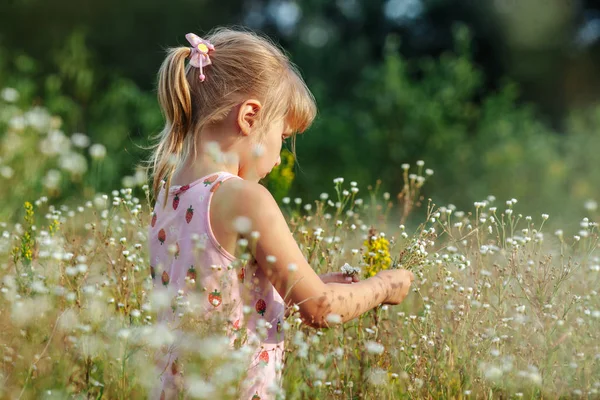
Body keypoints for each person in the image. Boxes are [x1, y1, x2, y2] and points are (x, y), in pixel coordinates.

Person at [146, 27, 414, 400]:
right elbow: (322, 308)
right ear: (250, 117)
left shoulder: (169, 195)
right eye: (283, 137)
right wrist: (385, 287)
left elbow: (219, 296)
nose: (280, 155)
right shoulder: (244, 198)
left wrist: (306, 282)